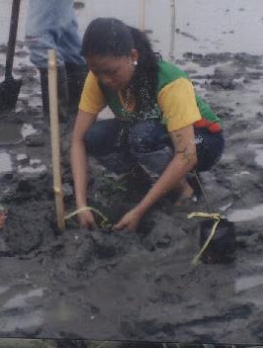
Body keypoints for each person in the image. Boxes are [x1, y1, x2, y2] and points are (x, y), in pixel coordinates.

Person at [70, 18, 225, 232]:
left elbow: (187, 154)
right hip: (157, 135)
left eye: (112, 72)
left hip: (202, 140)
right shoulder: (98, 77)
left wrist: (139, 211)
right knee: (96, 137)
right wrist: (81, 204)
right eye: (97, 72)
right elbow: (78, 140)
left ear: (133, 57)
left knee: (142, 135)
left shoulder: (169, 81)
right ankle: (142, 182)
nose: (105, 80)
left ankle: (183, 190)